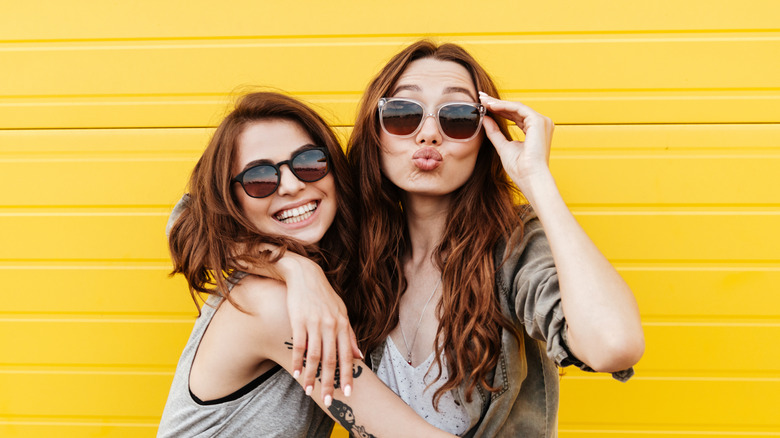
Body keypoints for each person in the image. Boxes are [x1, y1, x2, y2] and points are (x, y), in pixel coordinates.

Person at [341, 40, 646, 436]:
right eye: (404, 113)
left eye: (458, 117)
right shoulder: (355, 253)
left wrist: (536, 179)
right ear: (375, 131)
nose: (429, 133)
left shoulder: (512, 248)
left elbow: (613, 345)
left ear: (485, 136)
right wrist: (300, 273)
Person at [157, 91, 456, 437]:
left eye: (309, 162)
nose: (292, 185)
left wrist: (297, 269)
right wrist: (296, 270)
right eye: (259, 178)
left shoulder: (316, 275)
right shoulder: (270, 305)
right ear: (231, 200)